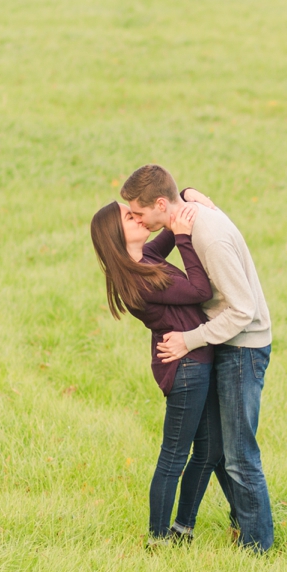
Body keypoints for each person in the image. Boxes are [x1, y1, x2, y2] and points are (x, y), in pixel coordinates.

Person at [120, 165, 275, 553]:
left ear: (160, 204)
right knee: (219, 453)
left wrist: (191, 340)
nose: (136, 219)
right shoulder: (183, 223)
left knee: (238, 456)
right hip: (222, 343)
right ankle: (241, 523)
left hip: (242, 345)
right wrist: (187, 196)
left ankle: (258, 549)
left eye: (138, 213)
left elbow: (243, 309)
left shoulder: (206, 235)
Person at [89, 198, 220, 543]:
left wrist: (187, 195)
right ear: (115, 234)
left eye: (135, 212)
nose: (138, 218)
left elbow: (167, 223)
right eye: (130, 217)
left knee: (208, 451)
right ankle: (158, 538)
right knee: (174, 457)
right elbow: (199, 289)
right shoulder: (139, 277)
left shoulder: (145, 258)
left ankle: (182, 529)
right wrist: (185, 239)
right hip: (185, 369)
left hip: (199, 360)